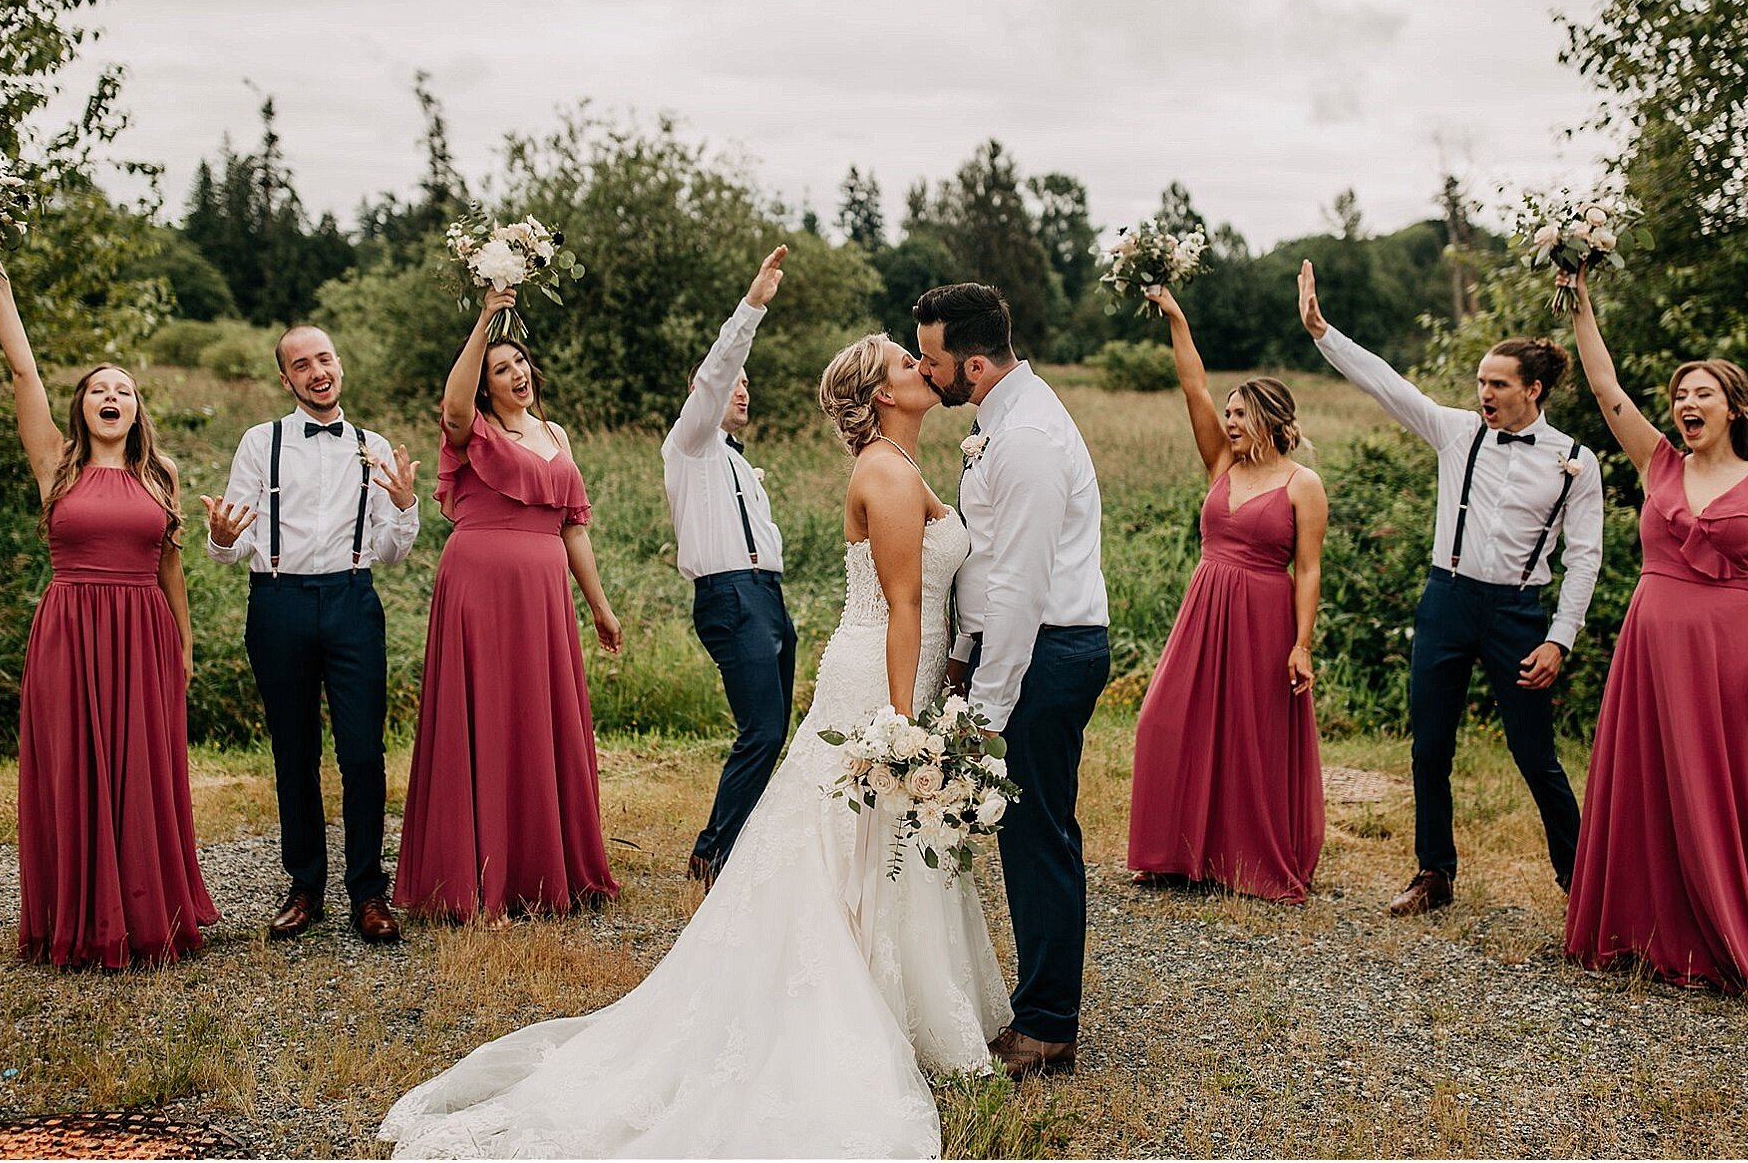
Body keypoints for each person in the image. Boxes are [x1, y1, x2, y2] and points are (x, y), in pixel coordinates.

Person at [379, 333, 1010, 1159]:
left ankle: (900, 1001)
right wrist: (904, 731)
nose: (921, 368)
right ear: (882, 395)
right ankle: (846, 1004)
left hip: (904, 673)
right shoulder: (887, 473)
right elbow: (903, 606)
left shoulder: (902, 461)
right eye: (903, 363)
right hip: (881, 681)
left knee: (866, 842)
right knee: (845, 840)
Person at [1559, 268, 1748, 1016]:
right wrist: (1580, 300)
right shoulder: (1658, 462)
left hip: (1727, 647)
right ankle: (1647, 930)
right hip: (1652, 641)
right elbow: (1603, 386)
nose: (1686, 404)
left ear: (1731, 409)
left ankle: (1737, 931)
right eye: (1681, 395)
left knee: (1732, 794)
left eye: (1702, 395)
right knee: (1650, 782)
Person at [1299, 259, 1601, 916]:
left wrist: (1560, 638)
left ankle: (1582, 881)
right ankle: (1434, 872)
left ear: (1536, 389)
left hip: (1519, 613)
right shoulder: (1458, 431)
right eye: (1480, 381)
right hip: (1447, 599)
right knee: (1430, 742)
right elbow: (1388, 385)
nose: (1484, 392)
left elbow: (1586, 556)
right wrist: (1324, 333)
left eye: (1498, 383)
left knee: (1535, 753)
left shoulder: (1574, 459)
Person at [0, 248, 218, 967]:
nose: (112, 396)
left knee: (143, 773)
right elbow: (24, 372)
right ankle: (77, 918)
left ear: (138, 408)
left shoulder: (161, 473)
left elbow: (172, 561)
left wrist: (184, 644)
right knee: (72, 768)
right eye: (98, 390)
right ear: (83, 407)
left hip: (144, 632)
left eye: (125, 389)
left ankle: (148, 914)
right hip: (70, 631)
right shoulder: (55, 461)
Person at [914, 282, 1110, 1080]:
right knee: (1029, 836)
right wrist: (961, 650)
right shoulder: (999, 420)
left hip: (1046, 653)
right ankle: (1041, 1006)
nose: (927, 374)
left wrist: (987, 708)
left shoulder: (1025, 436)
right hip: (1019, 647)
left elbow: (1024, 588)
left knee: (1040, 839)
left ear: (977, 363)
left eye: (933, 361)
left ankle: (1049, 1025)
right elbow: (989, 562)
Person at [395, 289, 623, 921]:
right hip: (480, 586)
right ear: (485, 385)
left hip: (545, 596)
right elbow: (452, 400)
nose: (516, 373)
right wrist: (484, 321)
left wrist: (599, 607)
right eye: (501, 368)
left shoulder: (556, 434)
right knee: (486, 715)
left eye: (519, 363)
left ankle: (542, 865)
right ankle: (476, 872)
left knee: (538, 718)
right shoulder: (473, 432)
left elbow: (573, 528)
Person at [202, 324, 421, 944]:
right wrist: (220, 539)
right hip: (279, 603)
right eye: (301, 365)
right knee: (293, 752)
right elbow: (233, 539)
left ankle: (368, 892)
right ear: (286, 379)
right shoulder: (258, 442)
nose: (316, 371)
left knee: (361, 753)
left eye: (323, 358)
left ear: (339, 363)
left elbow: (392, 551)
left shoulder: (372, 445)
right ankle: (304, 887)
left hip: (352, 602)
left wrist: (403, 506)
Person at [1126, 285, 1328, 901]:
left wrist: (1302, 645)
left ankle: (1242, 861)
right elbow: (1195, 389)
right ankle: (1171, 852)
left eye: (1241, 414)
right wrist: (1178, 319)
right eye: (1231, 412)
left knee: (1251, 739)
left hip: (1264, 615)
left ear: (1270, 419)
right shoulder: (1221, 463)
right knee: (1165, 719)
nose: (1230, 421)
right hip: (1204, 607)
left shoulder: (1304, 484)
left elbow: (1310, 570)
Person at [663, 245, 796, 888]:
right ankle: (712, 852)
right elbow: (719, 372)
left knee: (775, 729)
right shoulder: (688, 445)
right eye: (729, 381)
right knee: (762, 729)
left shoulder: (741, 464)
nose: (740, 387)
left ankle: (734, 843)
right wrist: (751, 308)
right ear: (701, 393)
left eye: (747, 383)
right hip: (730, 597)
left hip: (767, 595)